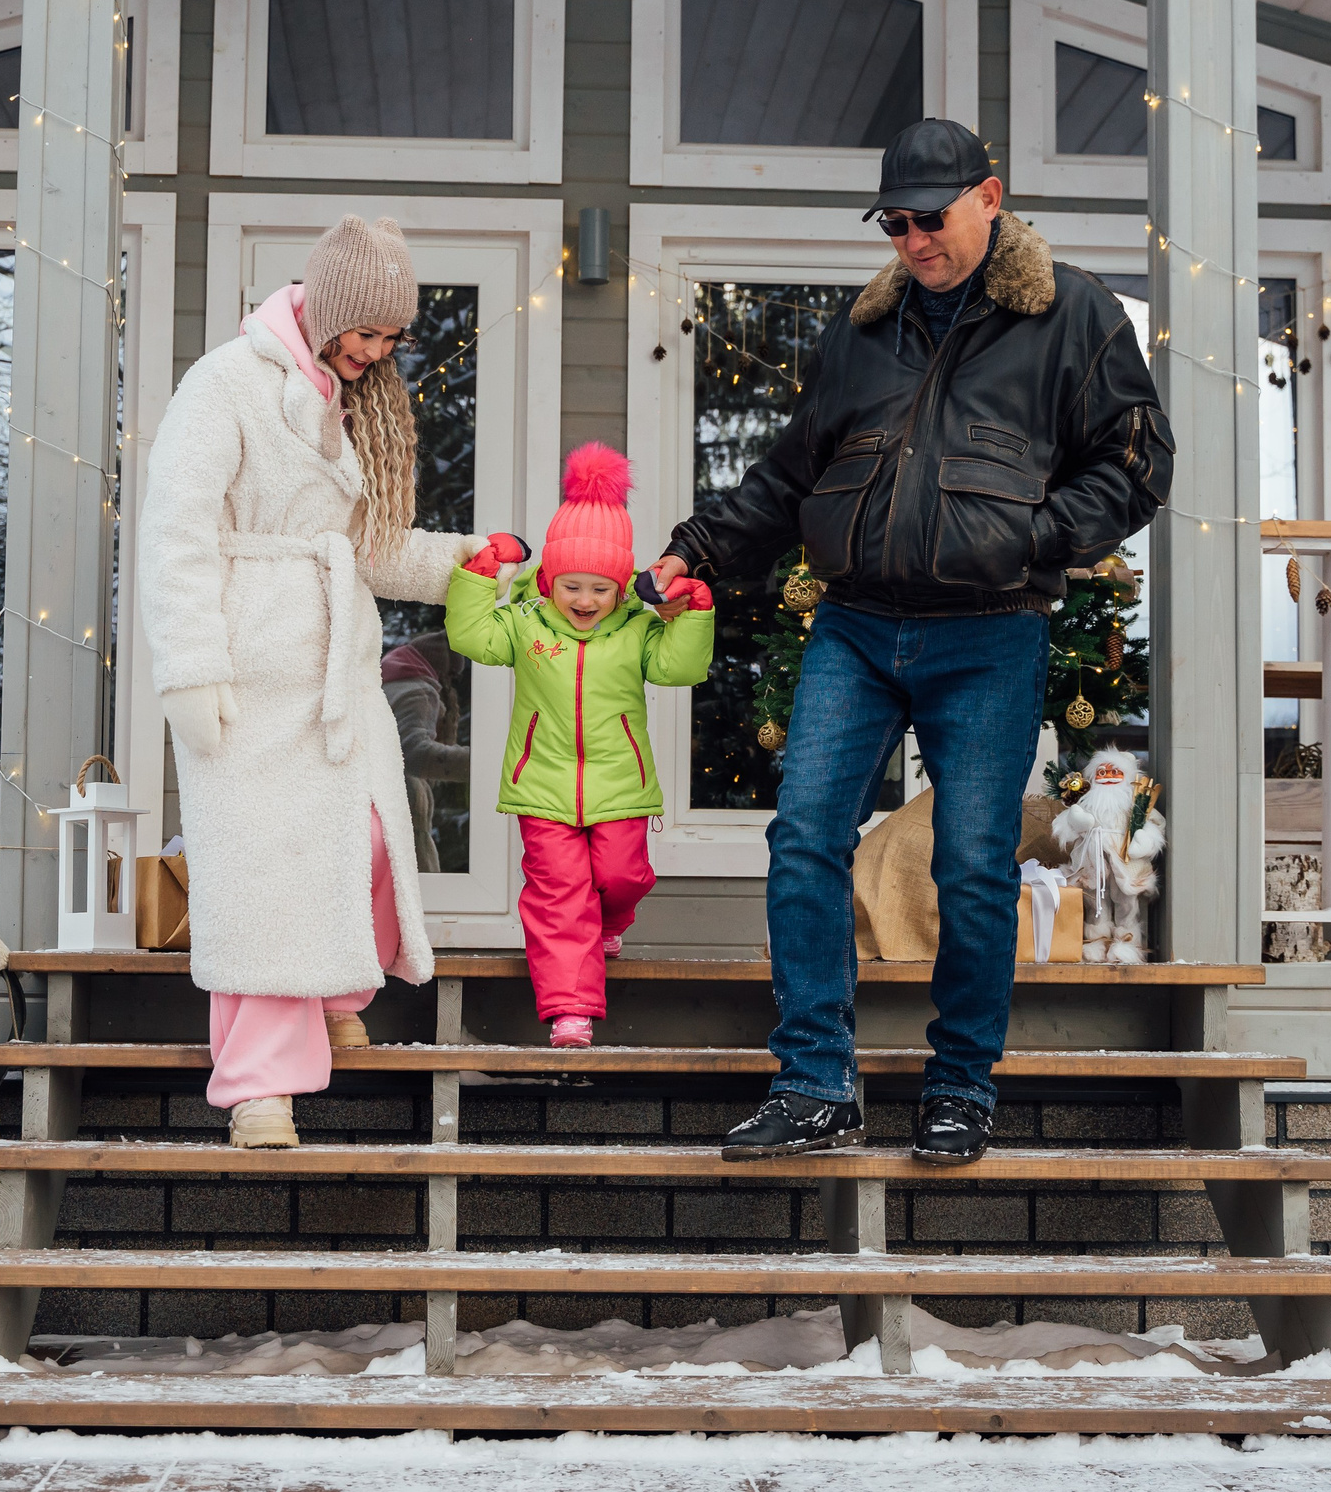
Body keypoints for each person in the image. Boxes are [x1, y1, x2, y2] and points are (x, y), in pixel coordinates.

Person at [643, 119, 1174, 1166]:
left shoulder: (1072, 313)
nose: (911, 240)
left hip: (988, 631)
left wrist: (1033, 536)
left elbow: (1134, 464)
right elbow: (792, 472)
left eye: (928, 218)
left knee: (972, 864)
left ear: (989, 195)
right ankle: (811, 1084)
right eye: (893, 222)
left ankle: (960, 1088)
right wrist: (693, 549)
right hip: (855, 624)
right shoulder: (865, 328)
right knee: (803, 840)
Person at [139, 215, 495, 1150]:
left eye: (391, 339)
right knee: (262, 877)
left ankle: (338, 985)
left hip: (335, 661)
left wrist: (467, 560)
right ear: (330, 309)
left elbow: (369, 549)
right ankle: (259, 1087)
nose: (377, 354)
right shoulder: (223, 384)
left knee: (368, 838)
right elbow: (175, 528)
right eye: (366, 333)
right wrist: (191, 667)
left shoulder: (350, 402)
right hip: (247, 667)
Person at [446, 443, 714, 1046]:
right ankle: (571, 1009)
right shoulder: (526, 625)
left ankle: (611, 921)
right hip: (541, 786)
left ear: (622, 586)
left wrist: (693, 612)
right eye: (572, 586)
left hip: (621, 783)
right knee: (558, 892)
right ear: (549, 580)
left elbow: (679, 669)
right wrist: (479, 574)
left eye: (600, 588)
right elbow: (470, 635)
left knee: (621, 876)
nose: (585, 601)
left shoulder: (638, 630)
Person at [380, 630, 467, 872]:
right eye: (452, 676)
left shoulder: (391, 684)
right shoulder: (418, 690)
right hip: (407, 805)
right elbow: (415, 752)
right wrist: (480, 764)